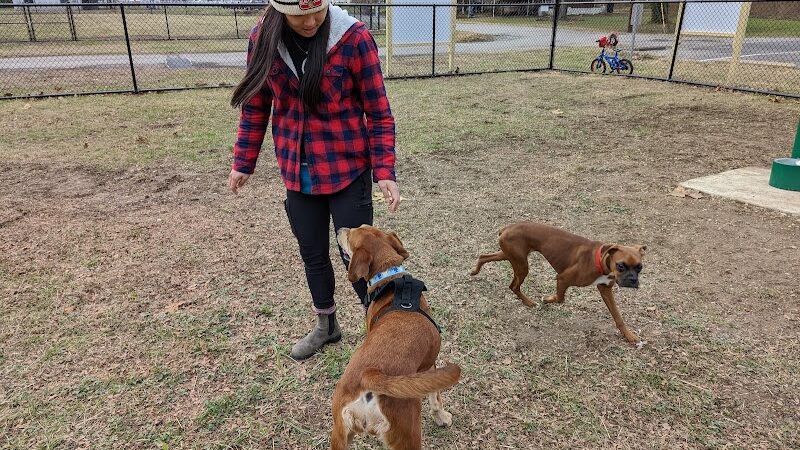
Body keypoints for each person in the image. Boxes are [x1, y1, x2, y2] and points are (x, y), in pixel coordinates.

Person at [228, 0, 400, 360]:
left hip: (347, 169)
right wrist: (243, 161)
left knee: (356, 253)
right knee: (312, 253)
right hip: (297, 171)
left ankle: (386, 326)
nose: (309, 22)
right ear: (279, 10)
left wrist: (383, 170)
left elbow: (379, 111)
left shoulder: (353, 38)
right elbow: (256, 106)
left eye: (316, 12)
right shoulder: (263, 38)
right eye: (298, 15)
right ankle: (327, 325)